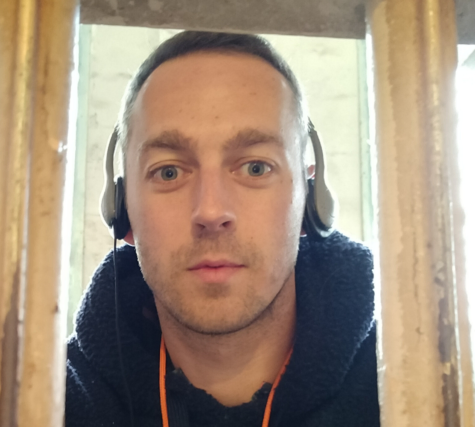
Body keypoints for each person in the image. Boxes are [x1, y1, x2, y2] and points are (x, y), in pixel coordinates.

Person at [66, 31, 378, 427]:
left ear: (309, 201)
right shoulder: (34, 403)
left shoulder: (423, 386)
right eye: (169, 172)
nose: (211, 212)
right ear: (122, 210)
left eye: (255, 168)